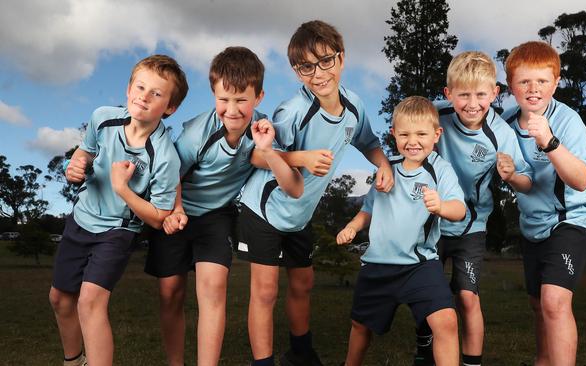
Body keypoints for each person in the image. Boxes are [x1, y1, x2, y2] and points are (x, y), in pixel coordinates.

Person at [236, 20, 394, 366]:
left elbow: (368, 142)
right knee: (265, 292)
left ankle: (301, 354)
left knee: (303, 284)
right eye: (307, 66)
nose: (318, 73)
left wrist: (382, 165)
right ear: (296, 70)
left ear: (342, 58)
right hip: (264, 210)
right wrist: (301, 158)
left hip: (299, 214)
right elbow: (260, 155)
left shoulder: (355, 106)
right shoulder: (292, 112)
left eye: (326, 61)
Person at [144, 47, 303, 366]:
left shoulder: (263, 131)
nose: (232, 109)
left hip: (217, 217)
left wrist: (268, 151)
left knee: (213, 290)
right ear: (214, 94)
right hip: (175, 210)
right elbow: (170, 171)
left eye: (241, 100)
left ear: (258, 97)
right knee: (171, 294)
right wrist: (174, 209)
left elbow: (294, 187)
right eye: (223, 99)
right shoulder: (197, 133)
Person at [48, 55, 189, 366]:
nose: (144, 96)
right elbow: (85, 152)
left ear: (170, 108)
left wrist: (123, 189)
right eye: (140, 87)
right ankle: (74, 361)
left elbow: (158, 217)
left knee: (89, 302)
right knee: (60, 299)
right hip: (82, 218)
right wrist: (76, 165)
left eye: (156, 93)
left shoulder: (165, 156)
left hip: (118, 230)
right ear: (128, 89)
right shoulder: (102, 117)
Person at [414, 51, 533, 366]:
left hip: (471, 225)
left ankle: (472, 362)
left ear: (495, 94)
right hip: (430, 220)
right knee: (428, 294)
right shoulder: (432, 115)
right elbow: (405, 126)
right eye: (463, 94)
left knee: (466, 296)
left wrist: (511, 175)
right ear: (448, 94)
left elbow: (527, 182)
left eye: (481, 94)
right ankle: (423, 343)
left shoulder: (501, 135)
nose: (472, 103)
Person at [337, 96, 465, 366]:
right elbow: (368, 210)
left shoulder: (440, 170)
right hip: (378, 266)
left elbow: (459, 209)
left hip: (420, 266)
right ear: (393, 133)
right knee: (360, 327)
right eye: (404, 134)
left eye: (421, 134)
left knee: (446, 322)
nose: (413, 141)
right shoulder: (387, 169)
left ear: (436, 135)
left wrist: (441, 206)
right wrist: (352, 226)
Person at [501, 41, 586, 366]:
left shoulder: (568, 120)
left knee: (555, 301)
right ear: (511, 86)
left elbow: (582, 179)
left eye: (542, 81)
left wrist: (549, 141)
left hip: (571, 220)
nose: (533, 89)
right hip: (533, 226)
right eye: (524, 81)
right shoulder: (506, 123)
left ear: (555, 83)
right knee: (537, 304)